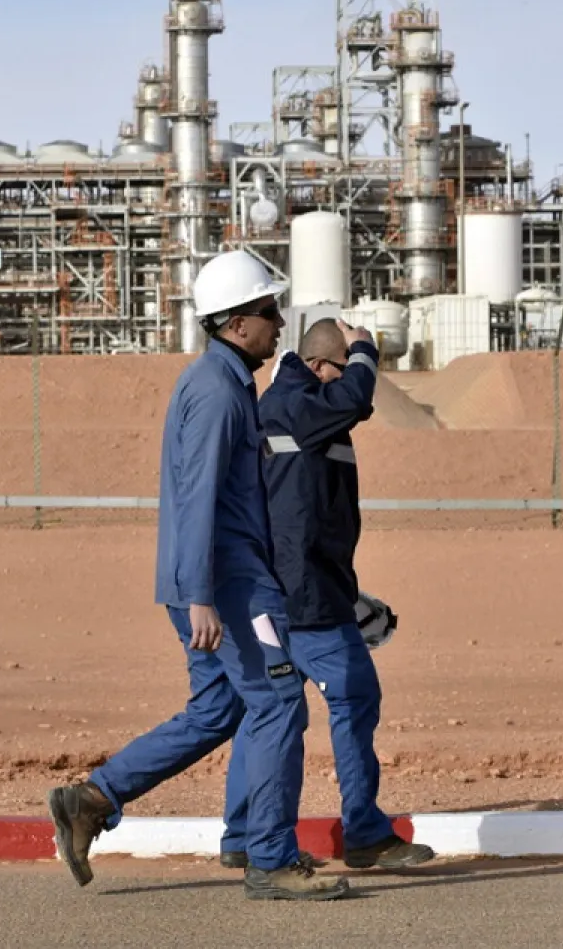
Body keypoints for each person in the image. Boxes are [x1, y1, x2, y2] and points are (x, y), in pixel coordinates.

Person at [45, 251, 350, 902]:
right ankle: (269, 858)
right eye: (270, 311)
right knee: (278, 701)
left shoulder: (227, 381)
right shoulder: (216, 392)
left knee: (220, 708)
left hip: (217, 582)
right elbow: (197, 497)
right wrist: (201, 598)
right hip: (227, 586)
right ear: (238, 323)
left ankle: (94, 799)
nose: (279, 323)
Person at [217, 316, 436, 871]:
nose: (351, 379)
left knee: (261, 711)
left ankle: (241, 836)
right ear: (319, 366)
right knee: (354, 695)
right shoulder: (295, 402)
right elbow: (356, 399)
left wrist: (352, 594)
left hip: (307, 588)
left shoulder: (304, 410)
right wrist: (364, 350)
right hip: (304, 598)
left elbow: (310, 513)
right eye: (343, 366)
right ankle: (362, 829)